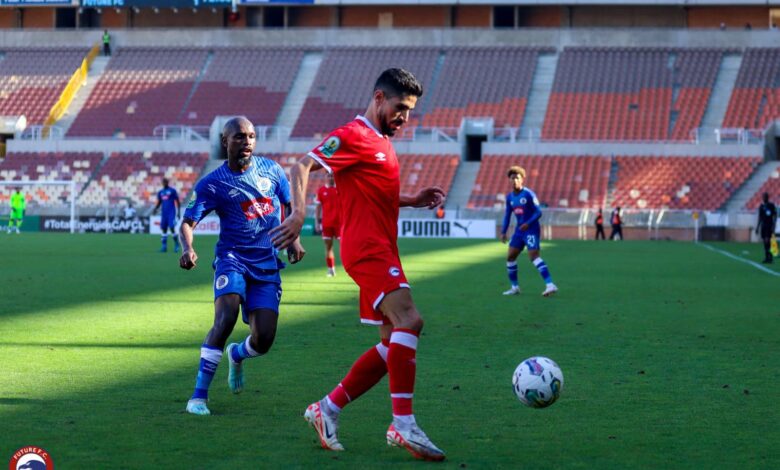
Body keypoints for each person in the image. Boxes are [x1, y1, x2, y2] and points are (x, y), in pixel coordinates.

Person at [270, 68, 447, 461]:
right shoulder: (355, 134)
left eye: (410, 111)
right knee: (410, 321)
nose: (405, 117)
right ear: (379, 98)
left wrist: (412, 200)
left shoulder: (381, 140)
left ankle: (326, 409)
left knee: (391, 343)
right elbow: (301, 166)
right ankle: (403, 425)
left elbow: (375, 190)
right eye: (401, 107)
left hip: (382, 245)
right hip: (367, 248)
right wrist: (299, 214)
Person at [179, 117, 304, 416]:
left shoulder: (272, 171)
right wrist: (188, 248)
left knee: (264, 340)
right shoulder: (212, 184)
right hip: (232, 259)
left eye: (251, 136)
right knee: (226, 318)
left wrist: (293, 239)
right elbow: (187, 222)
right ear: (226, 142)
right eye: (239, 136)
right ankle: (198, 397)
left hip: (267, 262)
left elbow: (289, 205)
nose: (246, 141)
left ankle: (236, 354)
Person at [499, 166, 558, 297]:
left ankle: (550, 284)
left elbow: (538, 212)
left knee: (533, 256)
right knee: (510, 257)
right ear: (509, 180)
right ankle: (515, 287)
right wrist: (503, 231)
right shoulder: (509, 198)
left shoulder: (529, 194)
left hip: (531, 229)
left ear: (522, 179)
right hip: (519, 231)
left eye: (517, 178)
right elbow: (507, 215)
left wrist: (528, 223)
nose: (514, 181)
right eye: (512, 178)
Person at [314, 173, 341, 277]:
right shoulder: (321, 191)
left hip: (340, 224)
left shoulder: (340, 189)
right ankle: (331, 269)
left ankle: (348, 267)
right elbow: (318, 208)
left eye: (332, 176)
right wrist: (317, 222)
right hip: (327, 224)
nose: (331, 178)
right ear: (325, 177)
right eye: (329, 176)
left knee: (344, 246)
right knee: (328, 247)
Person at [153, 178, 180, 253]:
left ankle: (176, 244)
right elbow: (159, 202)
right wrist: (155, 209)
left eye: (165, 182)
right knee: (164, 229)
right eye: (163, 182)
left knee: (171, 228)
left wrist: (178, 212)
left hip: (171, 212)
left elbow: (177, 201)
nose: (164, 183)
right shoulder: (160, 192)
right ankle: (164, 247)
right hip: (164, 213)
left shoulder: (172, 191)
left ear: (167, 183)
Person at [755, 192, 777, 264]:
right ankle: (767, 257)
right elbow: (760, 217)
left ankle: (770, 257)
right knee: (765, 241)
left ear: (768, 197)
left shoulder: (771, 205)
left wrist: (773, 225)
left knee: (768, 241)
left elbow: (775, 215)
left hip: (769, 225)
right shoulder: (761, 206)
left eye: (765, 197)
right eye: (763, 197)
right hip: (763, 225)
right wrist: (757, 227)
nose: (764, 198)